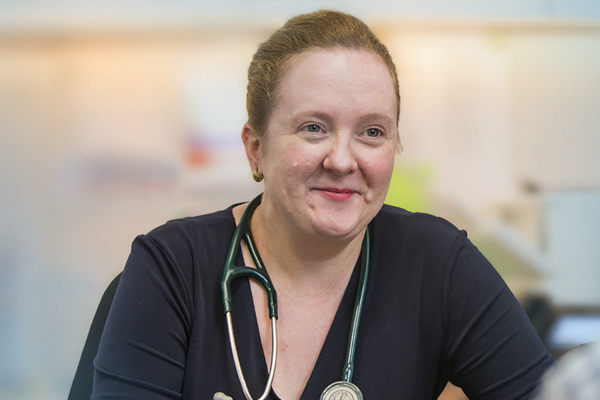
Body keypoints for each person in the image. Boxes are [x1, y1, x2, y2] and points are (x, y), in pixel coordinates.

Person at [91, 10, 554, 400]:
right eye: (313, 127)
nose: (342, 160)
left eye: (372, 132)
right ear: (256, 148)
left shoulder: (437, 265)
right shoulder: (173, 267)